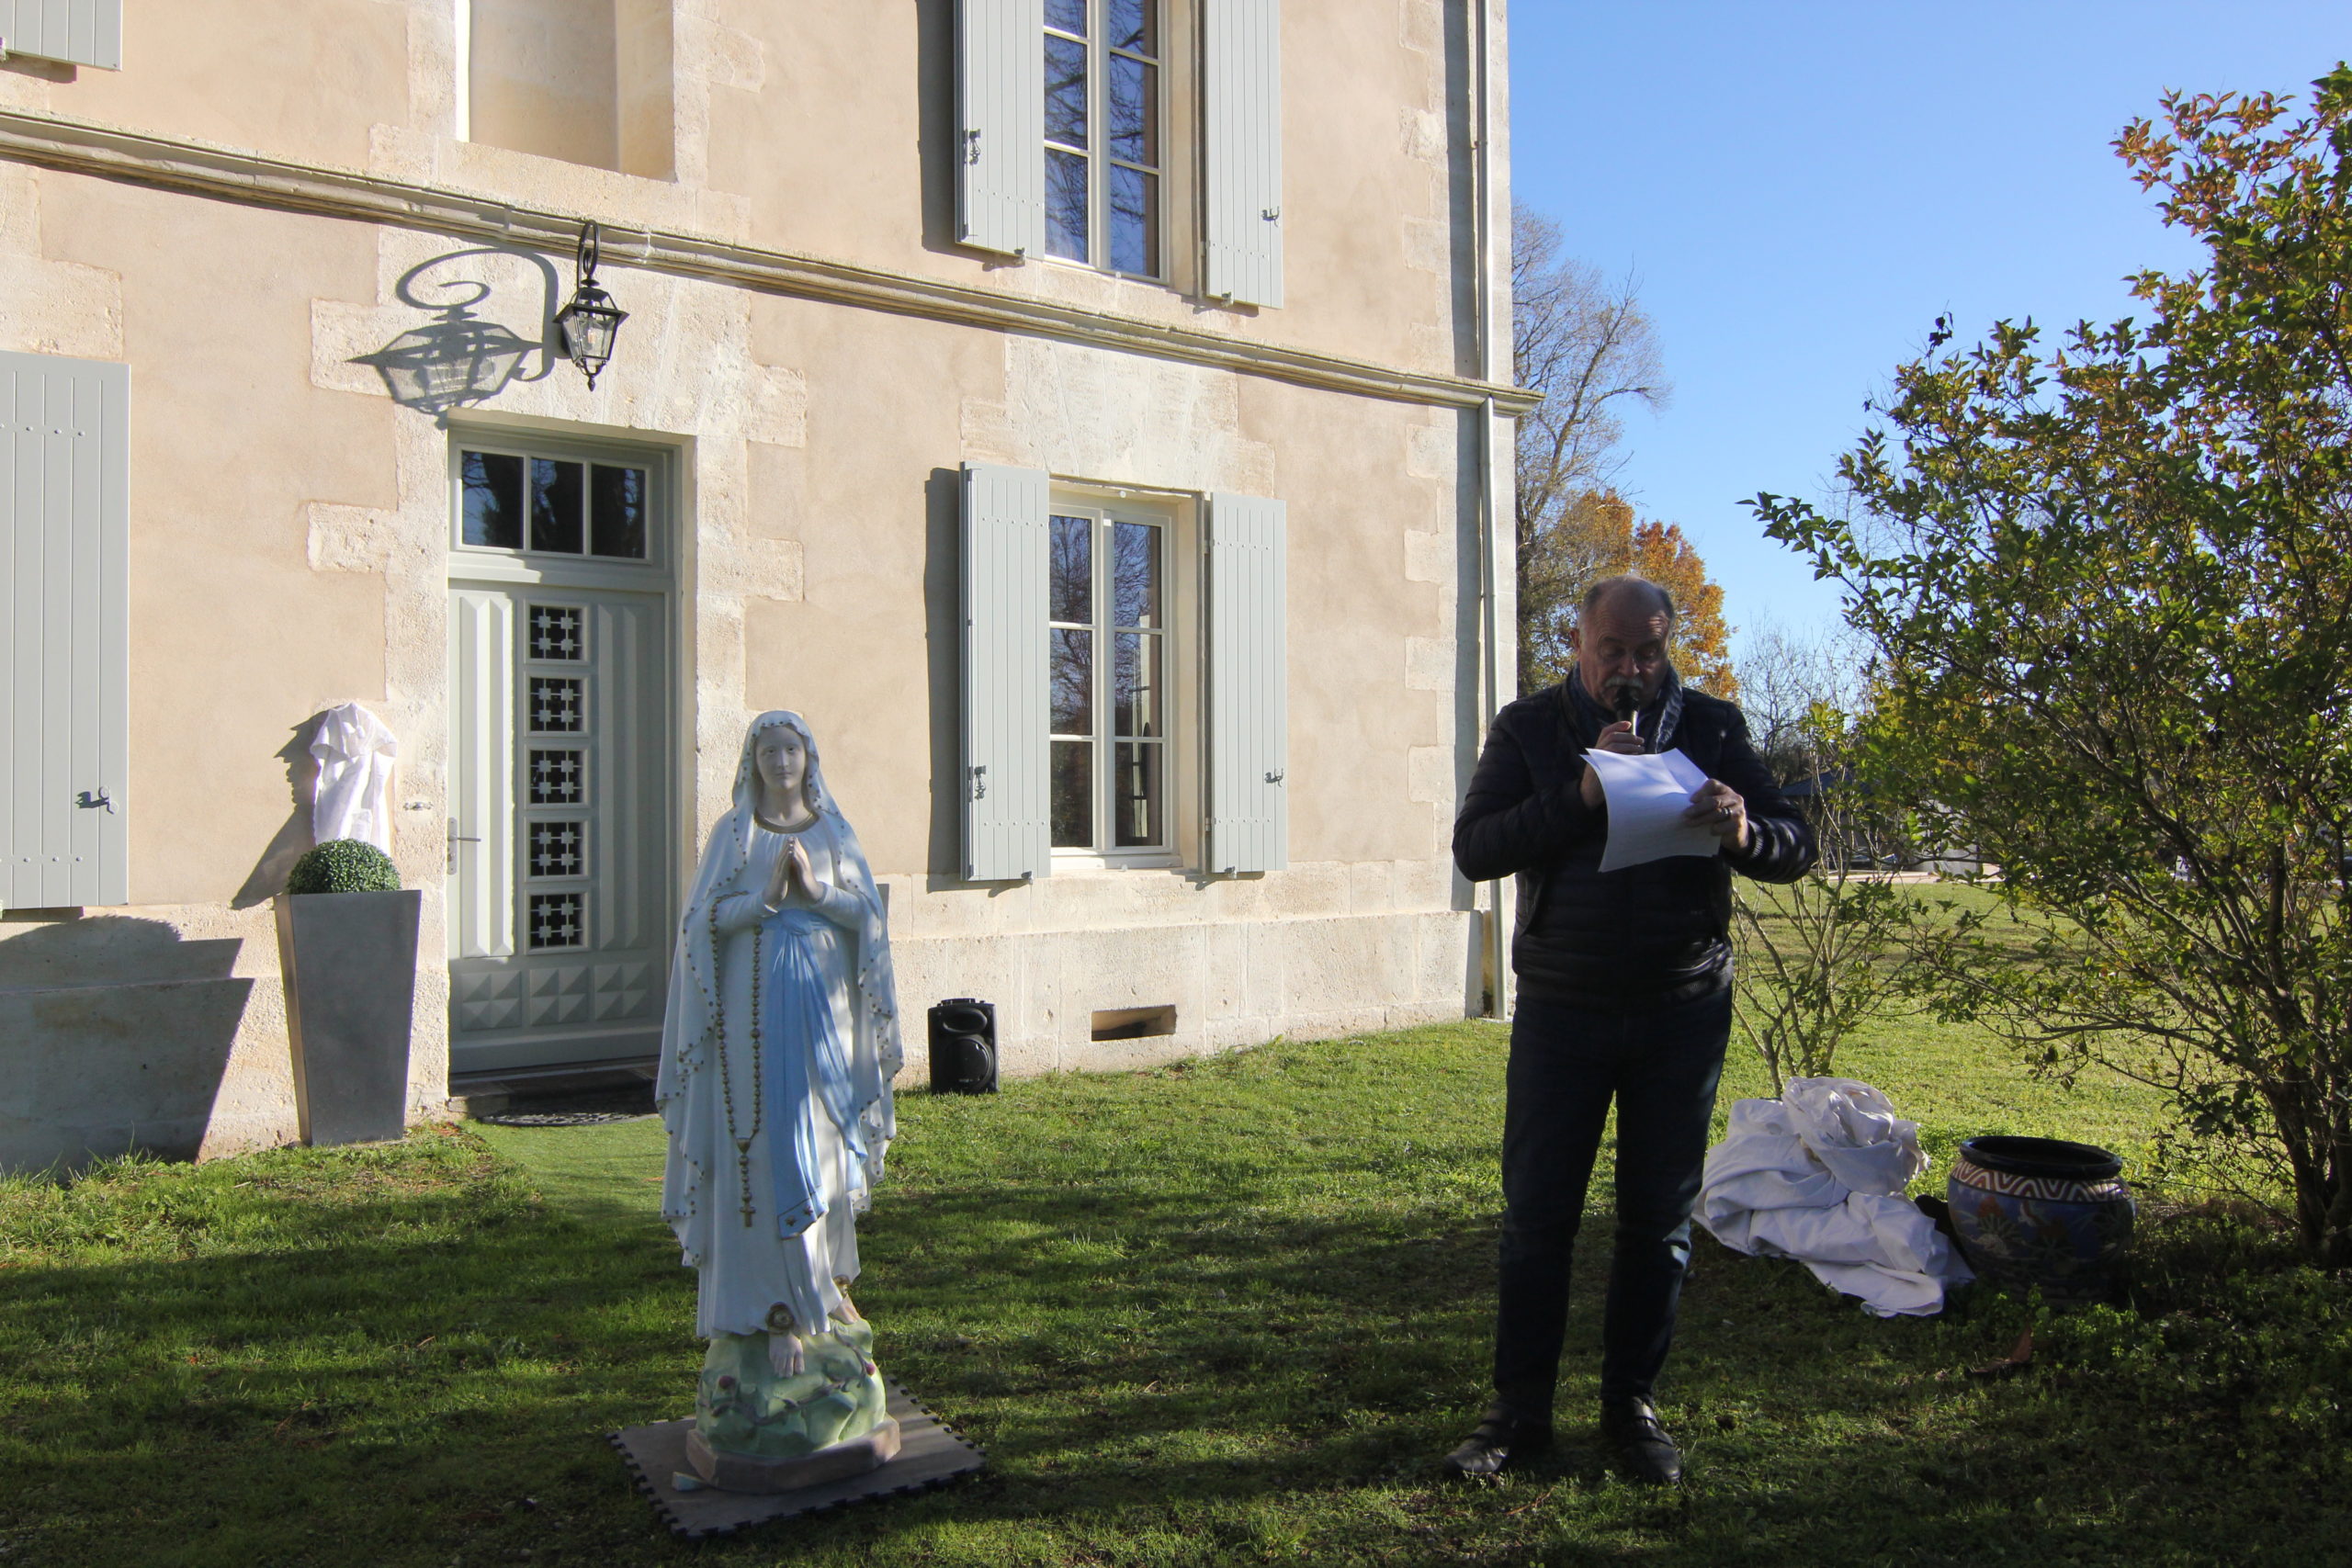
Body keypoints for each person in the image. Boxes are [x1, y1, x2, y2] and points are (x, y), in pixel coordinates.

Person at [1445, 577, 1815, 1484]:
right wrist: (1578, 793)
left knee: (1657, 1225)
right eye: (1613, 651)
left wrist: (1738, 828)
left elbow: (1792, 845)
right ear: (1579, 642)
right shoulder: (1529, 727)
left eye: (1648, 653)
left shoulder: (1714, 727)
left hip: (1679, 1011)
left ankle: (1630, 1411)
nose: (1630, 671)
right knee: (1538, 1220)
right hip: (1562, 1010)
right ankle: (1517, 1415)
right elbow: (1476, 848)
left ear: (1666, 646)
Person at [657, 710, 905, 1462]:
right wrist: (765, 896)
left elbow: (866, 916)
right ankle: (771, 1312)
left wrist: (816, 890)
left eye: (790, 747)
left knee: (820, 1146)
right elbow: (702, 925)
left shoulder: (833, 830)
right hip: (747, 1022)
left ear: (809, 756)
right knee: (759, 1151)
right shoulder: (733, 836)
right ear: (752, 761)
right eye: (767, 749)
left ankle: (823, 1285)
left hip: (820, 1019)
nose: (780, 760)